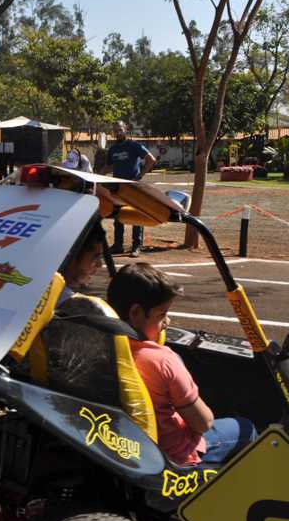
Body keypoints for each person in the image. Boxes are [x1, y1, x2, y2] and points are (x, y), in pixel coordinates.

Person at [107, 262, 256, 466]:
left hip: (127, 445)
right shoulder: (162, 360)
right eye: (162, 314)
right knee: (246, 428)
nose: (167, 322)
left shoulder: (102, 344)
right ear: (135, 313)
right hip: (174, 456)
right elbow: (204, 423)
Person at [101, 121, 156, 257]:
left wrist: (140, 176)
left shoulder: (134, 146)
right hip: (117, 188)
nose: (118, 132)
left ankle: (136, 246)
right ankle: (118, 245)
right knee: (118, 215)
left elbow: (151, 160)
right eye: (115, 130)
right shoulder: (112, 149)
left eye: (120, 129)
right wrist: (97, 175)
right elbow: (109, 166)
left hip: (133, 188)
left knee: (136, 216)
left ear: (125, 130)